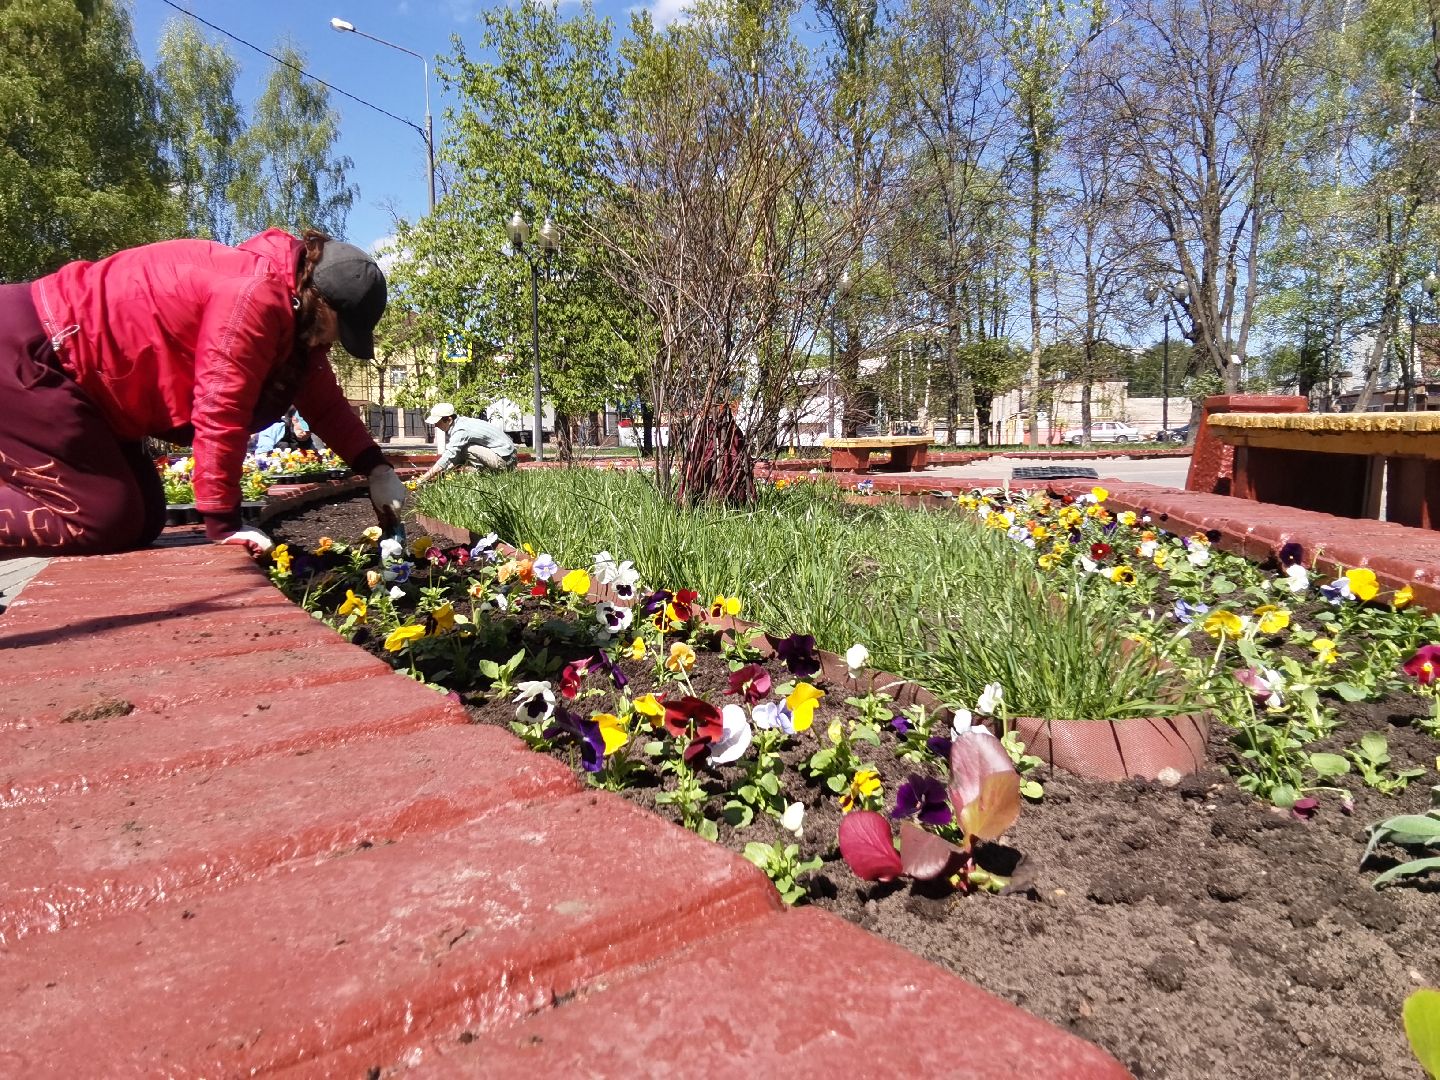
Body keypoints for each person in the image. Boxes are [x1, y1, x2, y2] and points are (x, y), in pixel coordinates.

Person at [0, 228, 407, 557]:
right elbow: (220, 408)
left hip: (87, 385)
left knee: (143, 519)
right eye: (340, 331)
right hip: (34, 349)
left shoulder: (296, 323)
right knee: (102, 518)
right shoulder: (253, 299)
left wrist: (376, 468)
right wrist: (224, 522)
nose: (333, 344)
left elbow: (326, 406)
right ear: (320, 302)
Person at [414, 403, 517, 487]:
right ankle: (476, 480)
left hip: (505, 460)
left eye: (438, 422)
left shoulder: (461, 430)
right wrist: (440, 473)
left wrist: (423, 479)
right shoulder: (461, 422)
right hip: (504, 456)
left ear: (449, 420)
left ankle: (482, 475)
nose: (435, 425)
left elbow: (449, 456)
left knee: (466, 449)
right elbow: (453, 458)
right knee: (462, 451)